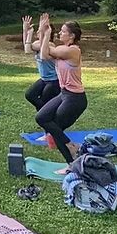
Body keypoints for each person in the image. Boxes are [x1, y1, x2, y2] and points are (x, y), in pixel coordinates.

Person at [35, 13, 87, 173]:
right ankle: (71, 146)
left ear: (71, 36)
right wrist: (44, 32)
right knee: (41, 117)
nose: (60, 33)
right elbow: (44, 54)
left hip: (75, 98)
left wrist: (46, 34)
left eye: (63, 32)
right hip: (64, 94)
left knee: (55, 129)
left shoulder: (72, 51)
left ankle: (72, 163)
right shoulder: (61, 49)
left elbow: (47, 52)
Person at [23, 15, 60, 112]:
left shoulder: (51, 46)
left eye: (39, 30)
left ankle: (47, 116)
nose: (38, 32)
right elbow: (27, 50)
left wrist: (46, 32)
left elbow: (43, 55)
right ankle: (45, 114)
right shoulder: (37, 44)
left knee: (45, 101)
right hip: (44, 79)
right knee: (30, 95)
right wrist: (27, 31)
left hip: (53, 81)